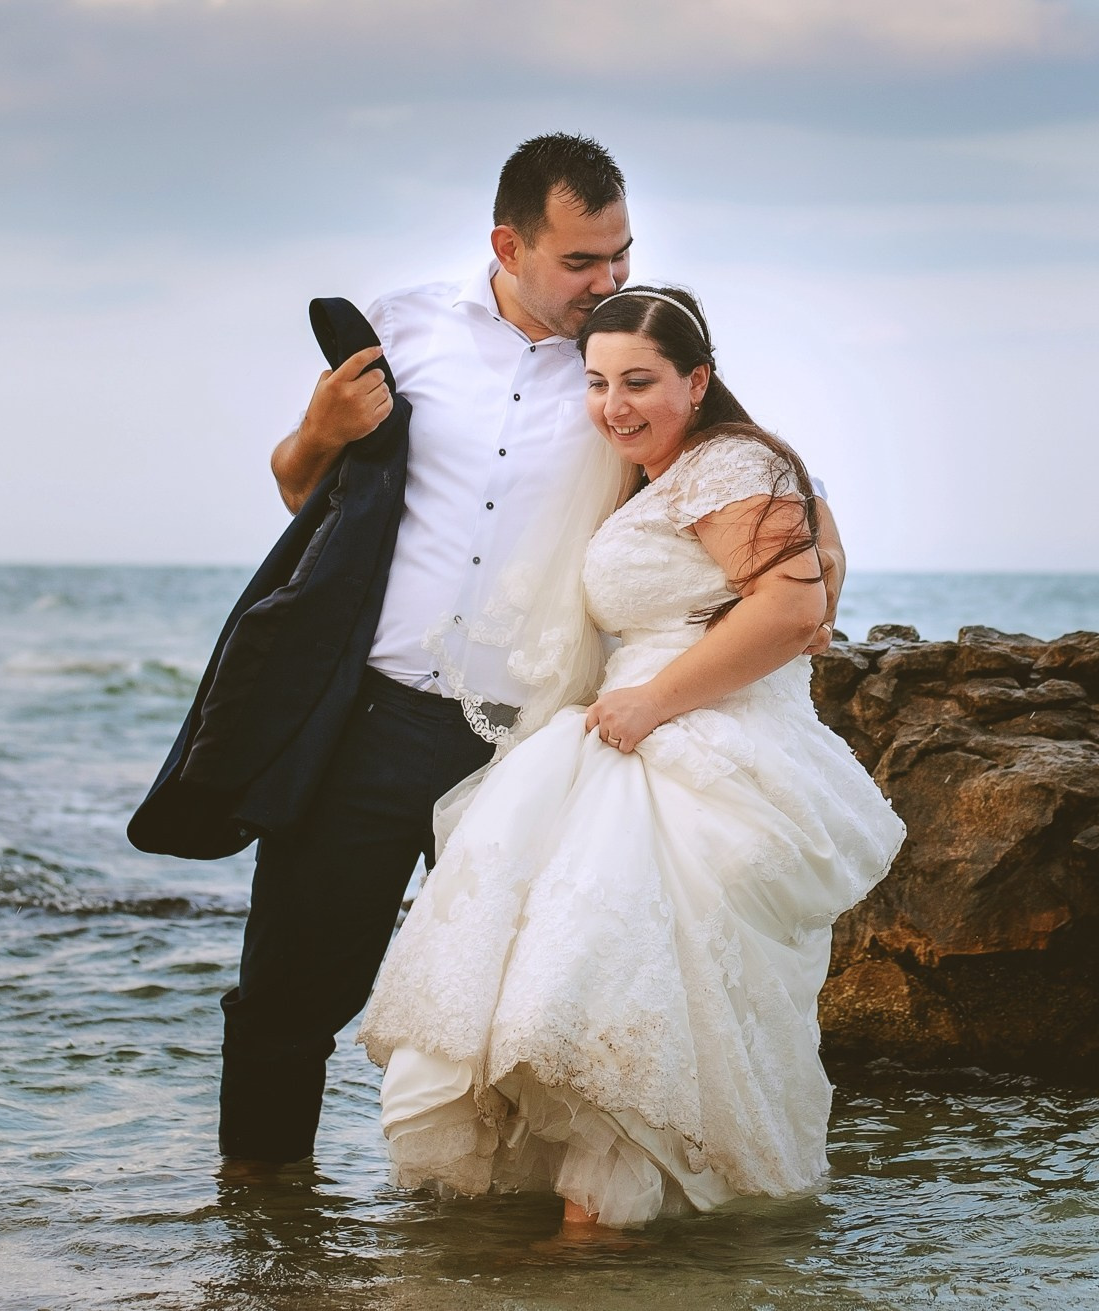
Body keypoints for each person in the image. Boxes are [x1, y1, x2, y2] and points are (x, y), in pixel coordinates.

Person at [217, 136, 849, 1168]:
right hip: (374, 718)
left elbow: (752, 478)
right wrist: (322, 428)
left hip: (536, 741)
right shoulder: (403, 327)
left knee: (515, 1016)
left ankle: (480, 1238)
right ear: (508, 246)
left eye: (621, 254)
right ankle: (259, 1228)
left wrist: (816, 564)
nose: (608, 280)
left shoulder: (622, 364)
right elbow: (300, 488)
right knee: (289, 995)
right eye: (580, 261)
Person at [355, 285, 906, 1228]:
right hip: (633, 735)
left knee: (616, 986)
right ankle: (598, 1244)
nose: (614, 405)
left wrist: (652, 701)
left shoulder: (727, 462)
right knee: (595, 985)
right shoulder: (669, 472)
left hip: (694, 745)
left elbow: (791, 609)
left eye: (639, 381)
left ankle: (600, 1240)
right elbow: (803, 561)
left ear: (696, 380)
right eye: (598, 381)